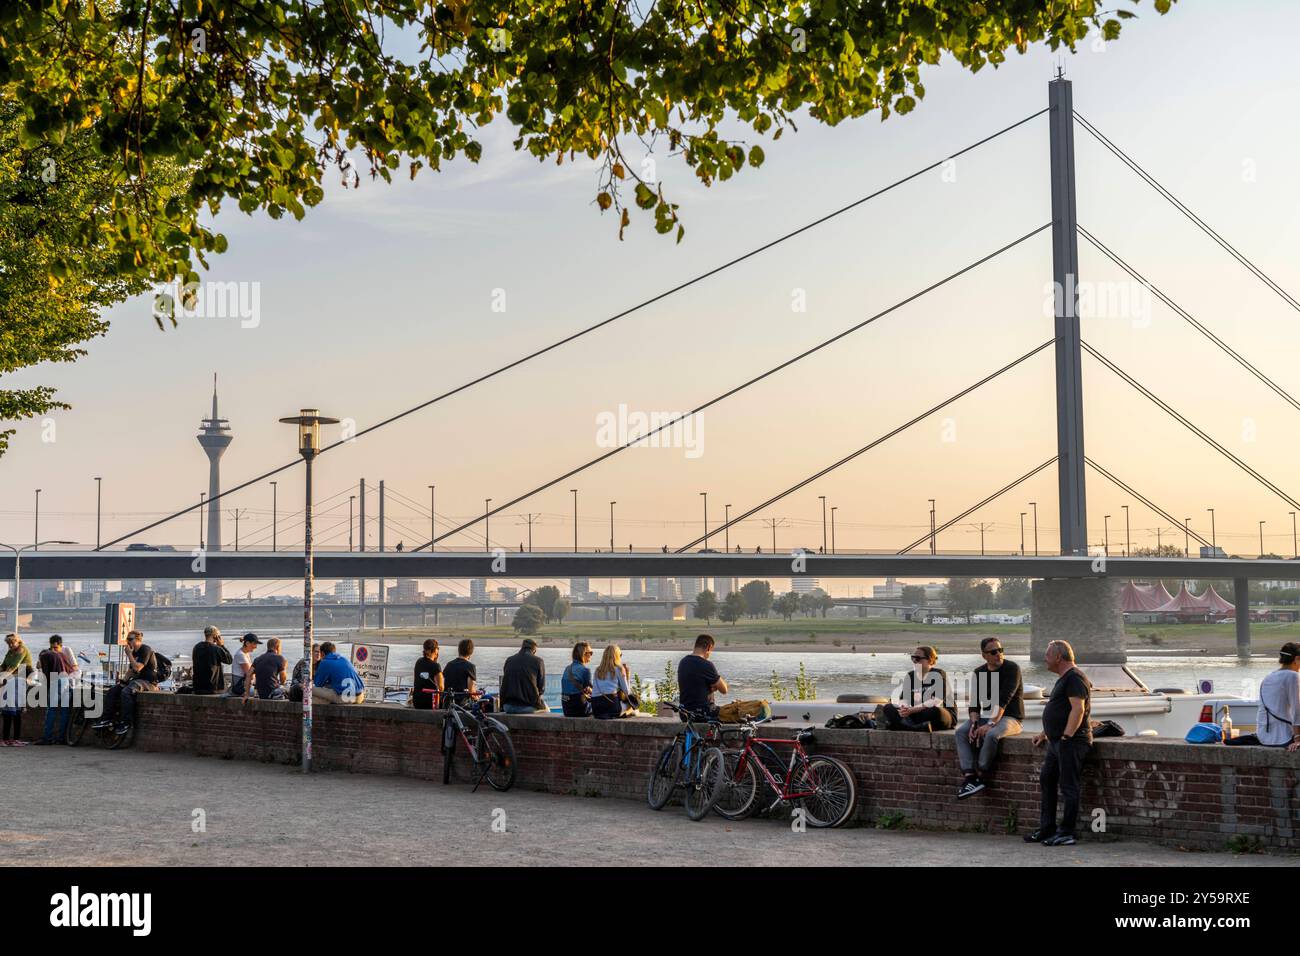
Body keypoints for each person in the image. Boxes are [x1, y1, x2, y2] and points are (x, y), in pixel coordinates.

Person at [1026, 640, 1092, 847]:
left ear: (1058, 657)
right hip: (1057, 742)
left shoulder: (1075, 677)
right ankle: (1047, 829)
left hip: (1071, 742)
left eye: (1047, 655)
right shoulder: (1064, 678)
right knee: (1047, 780)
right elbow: (1060, 710)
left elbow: (1078, 710)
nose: (1044, 659)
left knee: (1068, 786)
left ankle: (1067, 832)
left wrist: (1066, 736)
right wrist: (1045, 733)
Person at [954, 637, 1024, 798]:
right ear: (984, 655)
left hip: (1011, 718)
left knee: (991, 734)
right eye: (993, 652)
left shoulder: (1012, 668)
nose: (998, 654)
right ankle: (970, 776)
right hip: (986, 717)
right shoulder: (979, 673)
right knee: (961, 732)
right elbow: (974, 704)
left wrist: (990, 724)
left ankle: (981, 774)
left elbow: (1004, 700)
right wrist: (973, 723)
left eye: (1001, 650)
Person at [1226, 642, 1300, 750]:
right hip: (1282, 736)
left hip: (1264, 737)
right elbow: (1296, 710)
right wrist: (1298, 738)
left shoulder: (1269, 677)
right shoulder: (1293, 676)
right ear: (1296, 659)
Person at [878, 646, 956, 732]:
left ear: (930, 660)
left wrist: (912, 710)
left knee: (935, 711)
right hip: (917, 714)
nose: (914, 661)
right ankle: (916, 727)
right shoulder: (911, 676)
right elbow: (904, 699)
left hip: (940, 714)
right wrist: (904, 708)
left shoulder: (939, 673)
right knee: (888, 708)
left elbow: (936, 701)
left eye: (918, 658)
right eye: (913, 658)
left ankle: (902, 725)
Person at [95, 630, 159, 734]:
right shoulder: (134, 652)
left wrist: (129, 654)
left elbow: (137, 668)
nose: (127, 642)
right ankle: (107, 719)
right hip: (137, 681)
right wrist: (122, 682)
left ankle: (126, 722)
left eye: (130, 639)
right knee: (113, 691)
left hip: (148, 682)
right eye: (127, 639)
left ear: (138, 640)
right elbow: (131, 670)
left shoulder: (145, 650)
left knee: (126, 692)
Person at [36, 635, 78, 745]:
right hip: (65, 681)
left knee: (51, 710)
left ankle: (47, 738)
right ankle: (61, 738)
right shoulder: (59, 654)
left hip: (58, 681)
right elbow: (70, 669)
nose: (53, 649)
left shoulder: (45, 655)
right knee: (64, 711)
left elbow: (46, 674)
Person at [677, 633, 727, 720]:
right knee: (736, 712)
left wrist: (711, 687)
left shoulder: (683, 662)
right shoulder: (707, 665)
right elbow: (724, 690)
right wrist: (714, 684)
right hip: (701, 713)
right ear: (709, 647)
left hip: (684, 713)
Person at [1, 633, 34, 746]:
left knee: (14, 711)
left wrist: (2, 677)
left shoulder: (21, 650)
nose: (10, 645)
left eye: (12, 642)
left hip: (21, 679)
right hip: (12, 680)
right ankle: (8, 739)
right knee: (10, 711)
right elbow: (4, 665)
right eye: (8, 643)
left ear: (18, 641)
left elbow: (14, 665)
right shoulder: (11, 652)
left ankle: (13, 739)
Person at [500, 638, 547, 714]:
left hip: (507, 707)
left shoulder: (509, 660)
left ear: (522, 647)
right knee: (547, 710)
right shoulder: (538, 661)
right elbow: (541, 688)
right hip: (528, 707)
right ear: (534, 650)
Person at [591, 645, 638, 719]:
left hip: (596, 708)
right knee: (633, 703)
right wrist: (627, 675)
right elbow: (627, 691)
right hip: (611, 706)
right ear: (617, 656)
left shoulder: (597, 670)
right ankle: (627, 713)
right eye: (620, 655)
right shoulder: (618, 669)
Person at [191, 625, 232, 695]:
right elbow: (229, 660)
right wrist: (222, 645)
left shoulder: (196, 647)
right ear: (215, 636)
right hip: (213, 688)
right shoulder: (216, 649)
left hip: (198, 688)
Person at [560, 642, 593, 717]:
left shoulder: (567, 668)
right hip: (579, 709)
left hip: (566, 709)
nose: (591, 655)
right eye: (590, 653)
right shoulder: (585, 670)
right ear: (584, 654)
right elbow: (591, 691)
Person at [442, 639, 477, 706]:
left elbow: (444, 683)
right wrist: (477, 697)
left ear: (459, 650)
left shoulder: (449, 664)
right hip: (462, 704)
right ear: (471, 652)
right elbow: (471, 692)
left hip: (447, 702)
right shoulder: (470, 666)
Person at [412, 639, 444, 709]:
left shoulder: (419, 662)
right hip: (430, 703)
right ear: (435, 650)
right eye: (437, 648)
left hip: (417, 702)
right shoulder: (436, 666)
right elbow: (441, 688)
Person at [229, 633, 261, 699]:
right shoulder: (241, 655)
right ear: (247, 643)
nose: (256, 646)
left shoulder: (245, 653)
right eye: (254, 644)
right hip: (240, 688)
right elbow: (250, 674)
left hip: (244, 685)